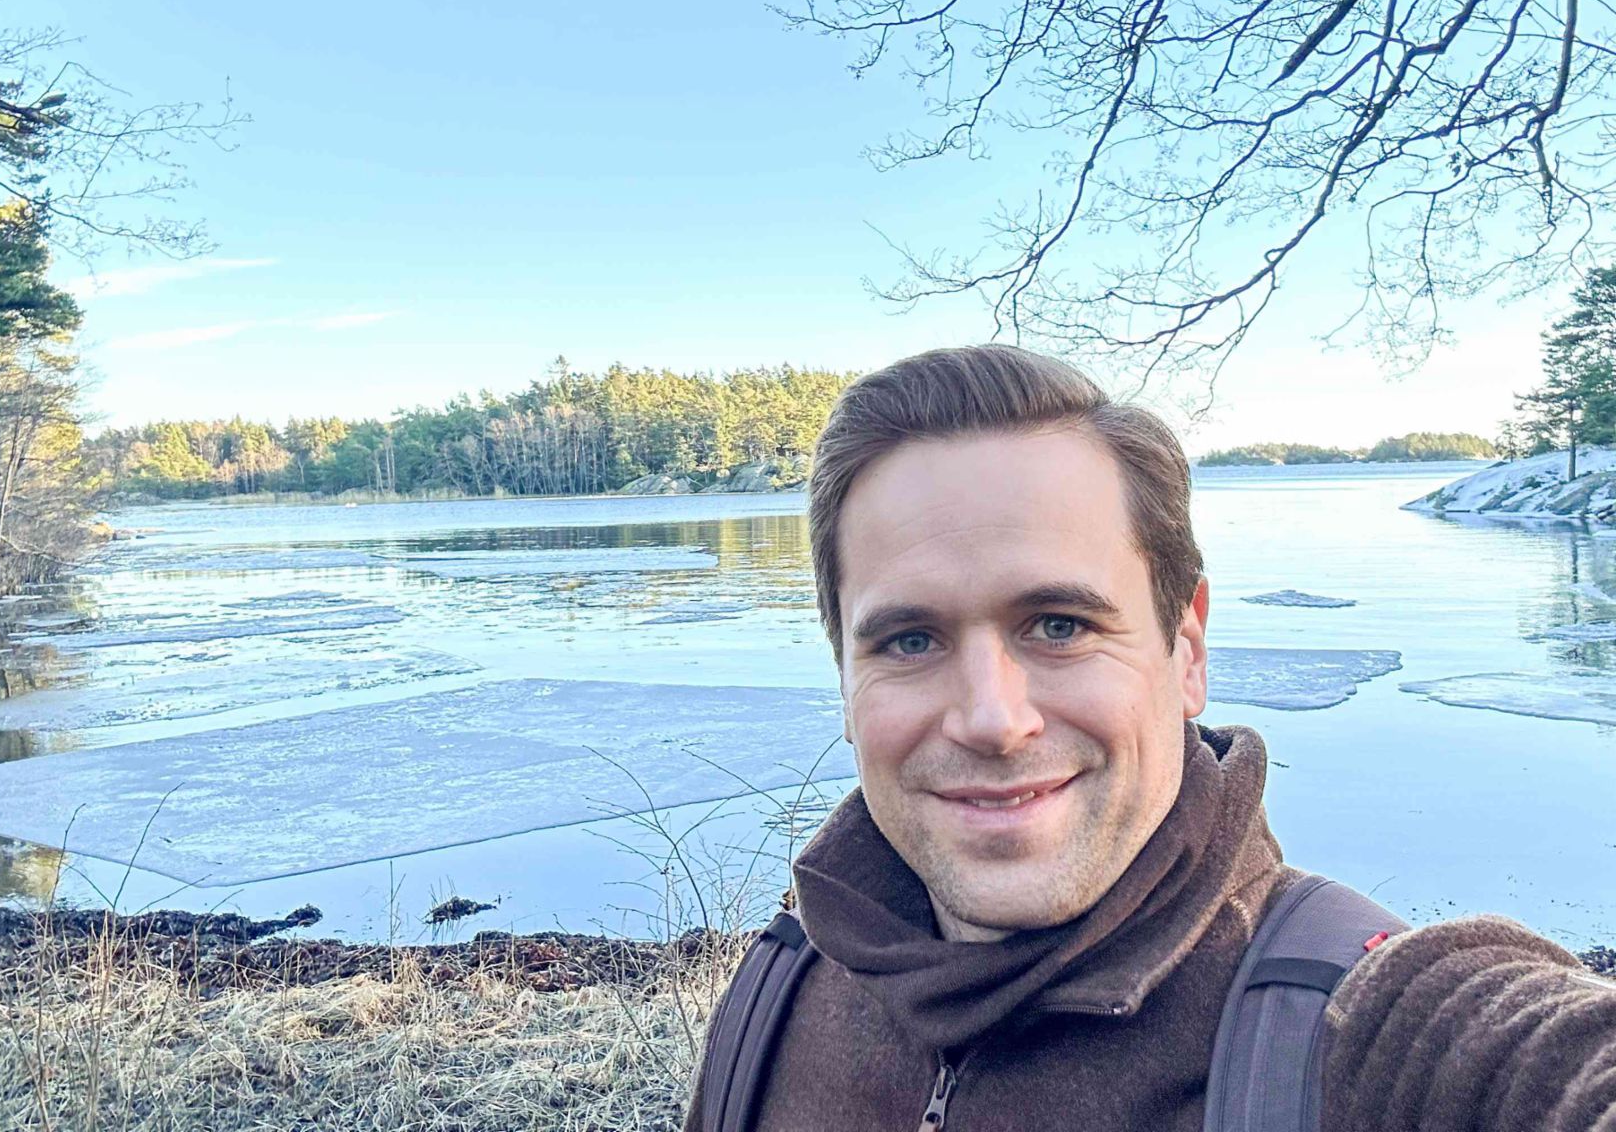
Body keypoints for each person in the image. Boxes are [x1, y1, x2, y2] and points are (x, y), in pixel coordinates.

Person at [682, 345, 1616, 1132]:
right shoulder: (779, 997)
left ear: (1186, 650)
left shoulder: (1365, 1034)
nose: (994, 719)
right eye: (909, 640)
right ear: (845, 677)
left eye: (1059, 625)